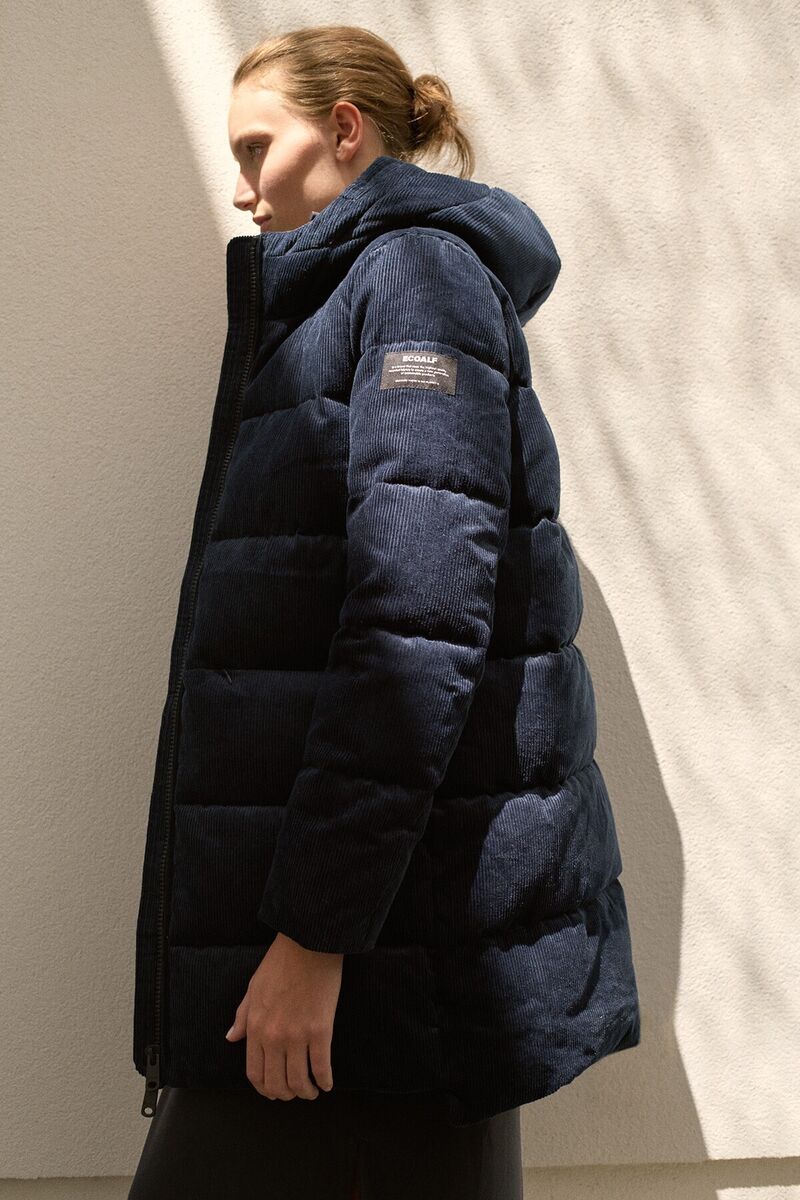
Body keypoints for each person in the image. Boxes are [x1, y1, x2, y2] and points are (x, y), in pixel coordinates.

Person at [129, 21, 640, 1200]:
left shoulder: (413, 281)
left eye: (257, 148)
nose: (242, 187)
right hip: (377, 940)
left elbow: (416, 627)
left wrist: (315, 935)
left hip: (386, 953)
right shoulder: (352, 291)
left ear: (346, 131)